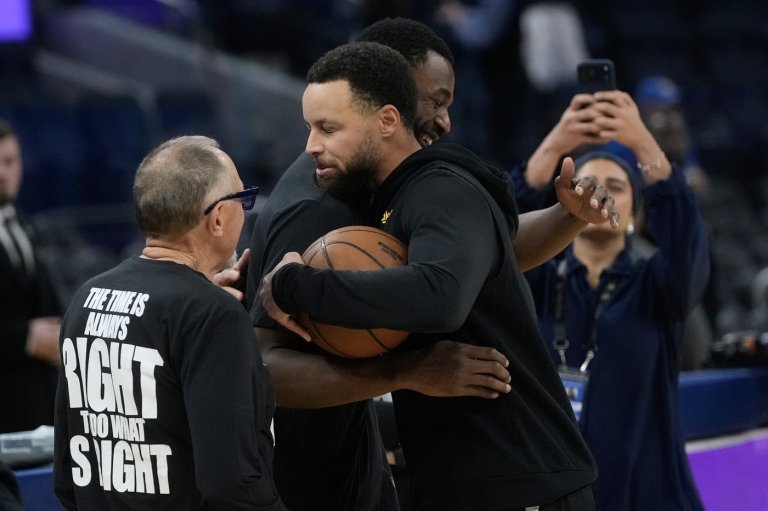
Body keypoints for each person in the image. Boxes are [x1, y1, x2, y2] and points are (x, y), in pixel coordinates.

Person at [261, 40, 622, 510]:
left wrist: (294, 286)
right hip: (469, 479)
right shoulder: (391, 199)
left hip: (523, 480)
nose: (311, 145)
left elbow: (441, 295)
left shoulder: (440, 190)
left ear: (388, 121)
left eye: (328, 128)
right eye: (310, 128)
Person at [243, 19, 513, 511]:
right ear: (386, 101)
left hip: (355, 463)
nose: (442, 119)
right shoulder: (318, 206)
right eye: (434, 99)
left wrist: (568, 216)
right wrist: (402, 372)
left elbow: (468, 264)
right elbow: (265, 369)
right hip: (310, 485)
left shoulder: (372, 188)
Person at [53, 136, 287, 510]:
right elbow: (231, 484)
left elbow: (67, 478)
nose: (246, 212)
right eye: (242, 199)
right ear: (218, 218)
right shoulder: (212, 315)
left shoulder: (86, 297)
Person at [522, 91, 709, 510]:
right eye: (587, 184)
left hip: (648, 494)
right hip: (558, 496)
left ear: (637, 215)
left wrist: (643, 141)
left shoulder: (657, 284)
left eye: (618, 187)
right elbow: (503, 228)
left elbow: (685, 236)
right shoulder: (536, 279)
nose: (600, 195)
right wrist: (556, 144)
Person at [0, 119, 62, 435]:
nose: (3, 173)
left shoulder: (25, 226)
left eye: (10, 161)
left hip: (39, 408)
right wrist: (25, 337)